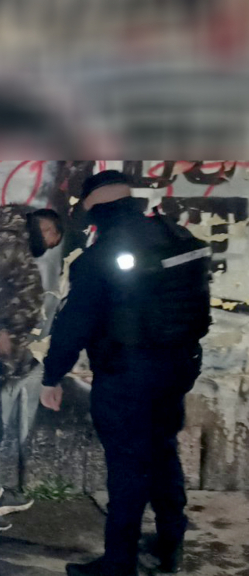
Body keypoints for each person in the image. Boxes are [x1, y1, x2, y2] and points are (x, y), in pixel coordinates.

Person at [40, 171, 212, 576]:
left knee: (127, 468)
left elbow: (74, 326)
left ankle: (118, 564)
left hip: (126, 376)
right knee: (163, 453)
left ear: (93, 209)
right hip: (177, 367)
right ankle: (169, 545)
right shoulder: (175, 236)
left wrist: (52, 376)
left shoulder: (99, 257)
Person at [0, 206, 64, 532]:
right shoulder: (7, 245)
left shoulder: (9, 243)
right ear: (45, 227)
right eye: (52, 238)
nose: (49, 246)